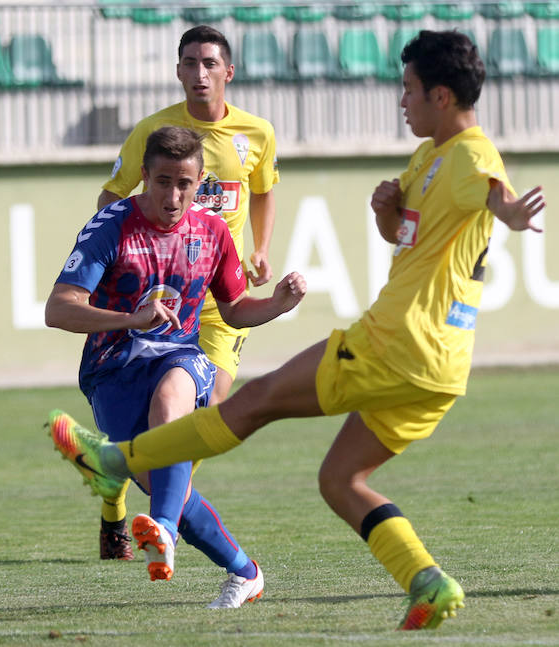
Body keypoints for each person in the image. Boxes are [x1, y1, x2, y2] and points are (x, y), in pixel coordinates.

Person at [48, 31, 546, 629]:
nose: (401, 101)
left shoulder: (468, 152)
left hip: (398, 340)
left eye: (409, 89)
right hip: (443, 369)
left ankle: (117, 462)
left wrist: (510, 210)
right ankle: (427, 581)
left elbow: (493, 188)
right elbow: (406, 233)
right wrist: (389, 211)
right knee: (340, 479)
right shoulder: (427, 158)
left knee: (251, 402)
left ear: (440, 94)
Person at [45, 126, 307, 607]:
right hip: (112, 370)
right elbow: (58, 309)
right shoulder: (111, 226)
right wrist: (130, 318)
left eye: (184, 183)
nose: (173, 195)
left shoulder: (211, 230)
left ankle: (159, 529)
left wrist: (277, 304)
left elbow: (232, 310)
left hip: (180, 355)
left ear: (200, 179)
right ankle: (245, 572)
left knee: (173, 398)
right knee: (170, 485)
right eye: (163, 181)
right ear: (143, 176)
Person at [94, 25, 280, 560]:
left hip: (219, 297)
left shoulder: (257, 134)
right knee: (166, 422)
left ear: (229, 71)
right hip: (160, 300)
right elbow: (113, 193)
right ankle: (132, 507)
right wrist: (111, 261)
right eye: (190, 64)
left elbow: (264, 191)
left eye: (209, 64)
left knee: (205, 410)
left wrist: (261, 247)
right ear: (178, 71)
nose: (200, 74)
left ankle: (157, 518)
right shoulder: (153, 132)